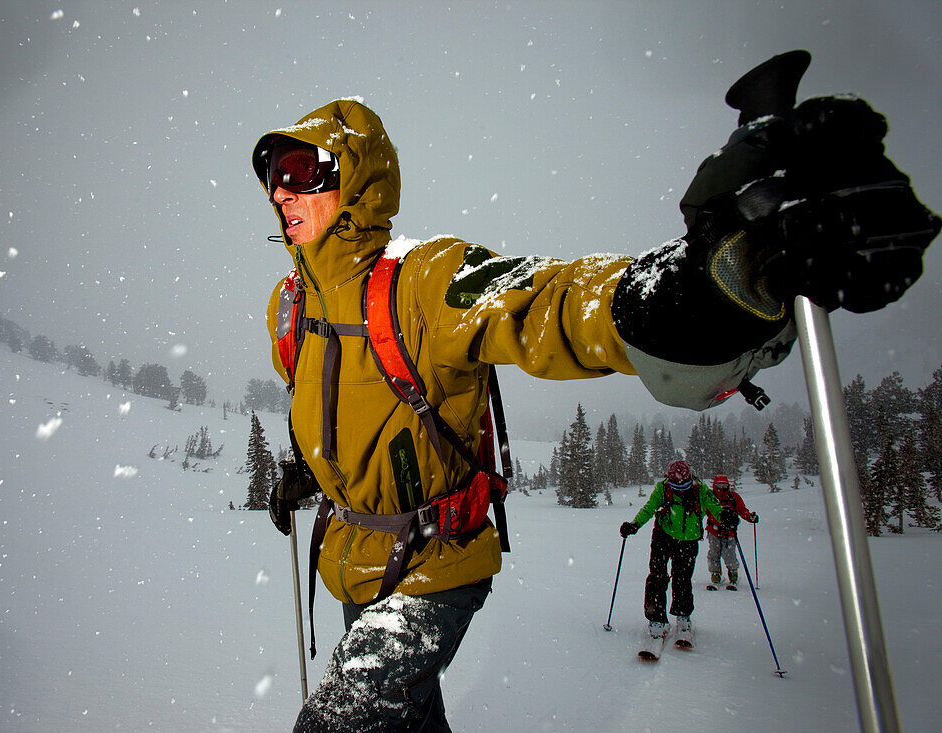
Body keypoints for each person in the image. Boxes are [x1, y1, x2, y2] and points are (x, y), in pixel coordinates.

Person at [253, 74, 935, 730]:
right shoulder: (290, 308)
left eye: (302, 168)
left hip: (435, 561)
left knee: (343, 720)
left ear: (357, 178)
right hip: (354, 561)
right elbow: (349, 409)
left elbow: (549, 299)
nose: (282, 189)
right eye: (272, 173)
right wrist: (312, 471)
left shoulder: (423, 280)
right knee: (409, 718)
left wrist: (689, 290)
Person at [620, 461, 728, 639]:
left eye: (681, 481)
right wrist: (634, 525)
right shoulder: (663, 488)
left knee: (682, 578)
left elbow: (714, 506)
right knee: (657, 576)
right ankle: (656, 618)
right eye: (673, 481)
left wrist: (725, 515)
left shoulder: (700, 489)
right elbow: (649, 507)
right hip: (663, 537)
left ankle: (683, 615)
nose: (678, 485)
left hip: (688, 541)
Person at [706, 475, 759, 586]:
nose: (721, 487)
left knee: (729, 554)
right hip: (713, 531)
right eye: (719, 485)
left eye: (724, 485)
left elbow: (742, 510)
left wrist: (750, 517)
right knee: (713, 554)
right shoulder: (710, 497)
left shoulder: (733, 497)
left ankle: (733, 574)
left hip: (730, 532)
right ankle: (715, 575)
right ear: (715, 485)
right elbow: (702, 510)